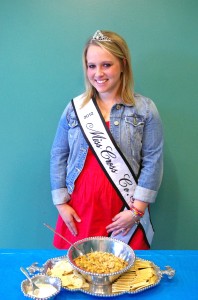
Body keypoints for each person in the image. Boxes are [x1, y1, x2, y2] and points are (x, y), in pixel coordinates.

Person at [50, 30, 163, 250]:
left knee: (124, 276)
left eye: (106, 65)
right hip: (80, 210)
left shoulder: (145, 110)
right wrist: (61, 203)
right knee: (76, 276)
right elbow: (58, 154)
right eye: (92, 66)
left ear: (123, 64)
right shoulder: (75, 108)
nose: (98, 73)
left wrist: (137, 211)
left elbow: (153, 160)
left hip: (124, 211)